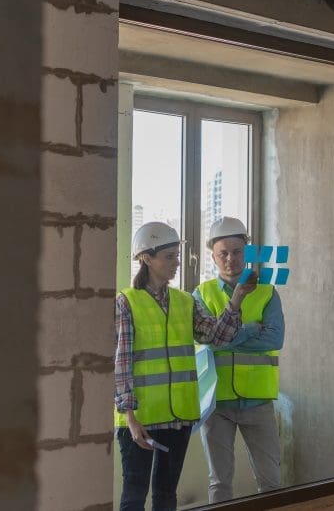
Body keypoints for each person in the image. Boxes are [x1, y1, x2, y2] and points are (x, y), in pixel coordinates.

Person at [114, 221, 257, 511]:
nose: (177, 263)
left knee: (167, 496)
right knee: (133, 498)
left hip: (178, 418)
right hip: (140, 420)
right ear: (146, 258)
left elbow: (216, 337)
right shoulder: (126, 303)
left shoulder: (185, 301)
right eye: (169, 257)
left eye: (177, 256)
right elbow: (122, 362)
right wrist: (130, 418)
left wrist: (237, 299)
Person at [194, 217, 285, 503]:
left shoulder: (268, 291)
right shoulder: (201, 294)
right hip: (216, 402)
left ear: (247, 251)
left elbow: (275, 339)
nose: (230, 259)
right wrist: (251, 329)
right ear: (213, 256)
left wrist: (226, 336)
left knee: (270, 480)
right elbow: (206, 339)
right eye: (223, 253)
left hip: (258, 402)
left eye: (236, 251)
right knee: (219, 483)